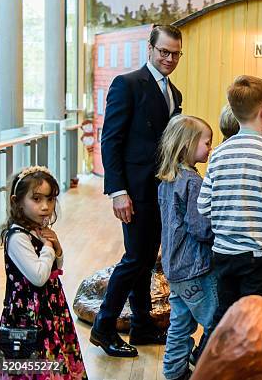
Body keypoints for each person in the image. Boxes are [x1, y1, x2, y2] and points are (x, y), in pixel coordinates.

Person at [91, 24, 183, 357]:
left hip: (159, 190)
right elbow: (110, 140)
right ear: (150, 49)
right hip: (133, 190)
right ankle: (104, 327)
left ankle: (142, 326)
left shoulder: (176, 93)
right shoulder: (126, 84)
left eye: (175, 53)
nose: (169, 58)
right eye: (164, 52)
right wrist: (117, 191)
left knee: (146, 261)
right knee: (134, 259)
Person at [197, 75, 262, 323]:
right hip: (260, 257)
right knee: (256, 322)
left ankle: (215, 361)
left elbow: (203, 205)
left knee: (225, 319)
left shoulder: (218, 154)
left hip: (223, 253)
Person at [0, 166, 87, 379]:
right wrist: (47, 246)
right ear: (16, 201)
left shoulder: (36, 229)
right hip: (27, 316)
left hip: (49, 310)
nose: (45, 207)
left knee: (53, 359)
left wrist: (57, 247)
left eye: (50, 199)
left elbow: (56, 267)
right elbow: (38, 277)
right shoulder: (17, 237)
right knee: (31, 365)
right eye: (36, 199)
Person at [157, 115, 217, 380]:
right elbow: (201, 229)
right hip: (195, 267)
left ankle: (173, 372)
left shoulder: (166, 181)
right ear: (187, 145)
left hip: (174, 268)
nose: (210, 148)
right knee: (216, 321)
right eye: (206, 143)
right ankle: (203, 363)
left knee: (179, 325)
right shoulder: (193, 182)